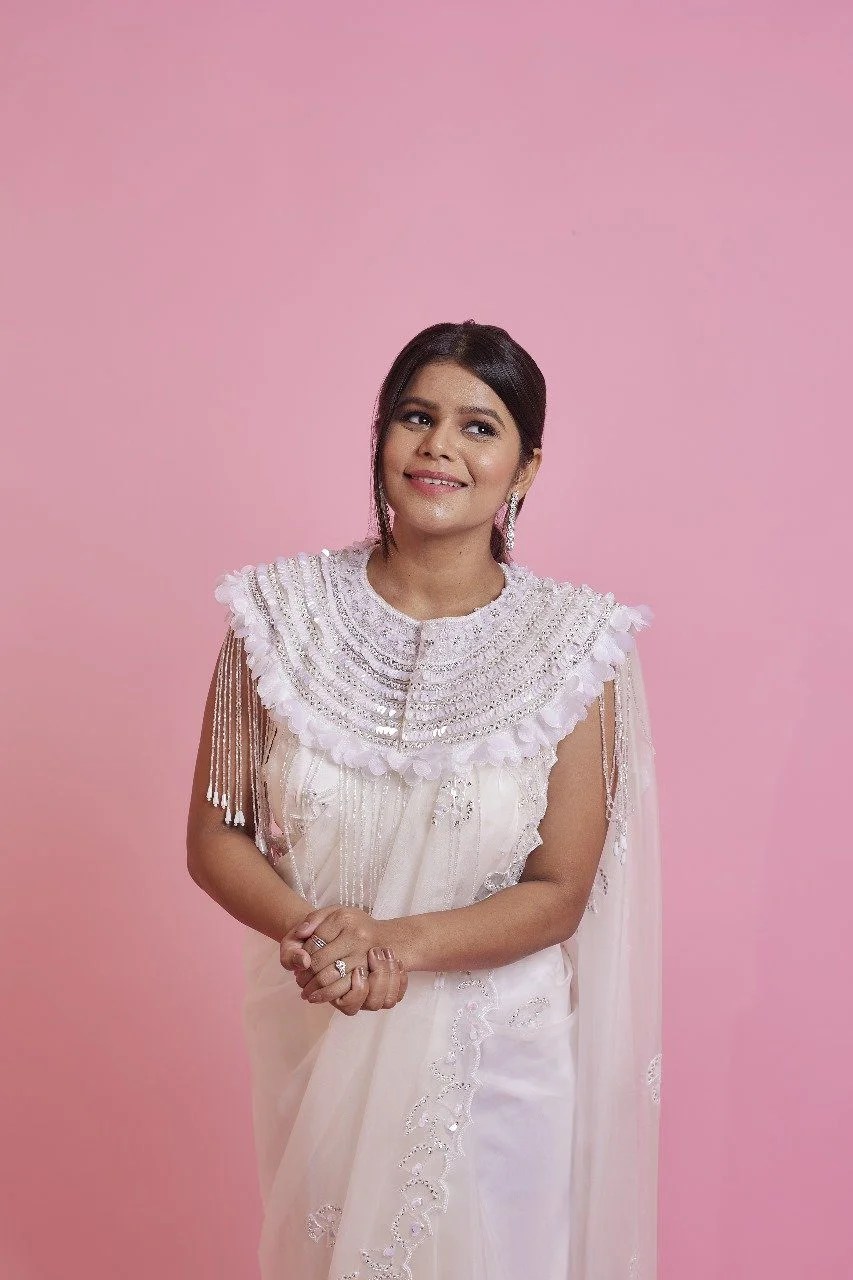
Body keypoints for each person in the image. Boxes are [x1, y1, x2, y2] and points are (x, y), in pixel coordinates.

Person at [186, 320, 662, 1280]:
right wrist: (324, 944)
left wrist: (392, 944)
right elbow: (215, 835)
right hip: (323, 1017)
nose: (440, 445)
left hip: (495, 1067)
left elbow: (560, 890)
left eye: (479, 427)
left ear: (526, 468)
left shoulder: (578, 647)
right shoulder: (274, 617)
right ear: (381, 437)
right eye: (416, 417)